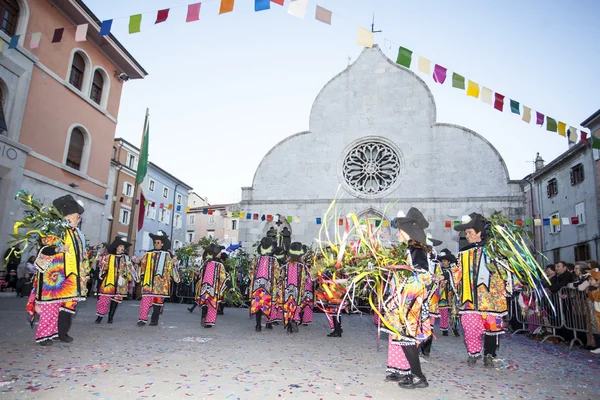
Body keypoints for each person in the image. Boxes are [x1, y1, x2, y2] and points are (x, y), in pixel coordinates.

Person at [26, 194, 89, 346]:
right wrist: (58, 248)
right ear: (67, 216)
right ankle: (43, 336)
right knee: (49, 308)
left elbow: (81, 256)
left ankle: (56, 333)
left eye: (78, 217)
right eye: (76, 217)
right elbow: (44, 250)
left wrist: (84, 273)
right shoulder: (55, 230)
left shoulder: (75, 234)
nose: (78, 220)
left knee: (62, 308)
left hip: (70, 278)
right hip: (53, 278)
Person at [383, 207, 435, 389]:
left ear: (407, 232)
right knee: (405, 339)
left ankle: (419, 377)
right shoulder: (411, 250)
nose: (397, 234)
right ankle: (412, 374)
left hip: (411, 303)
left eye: (399, 231)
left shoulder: (416, 250)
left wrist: (401, 276)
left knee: (408, 339)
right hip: (406, 302)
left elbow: (423, 275)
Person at [453, 213, 512, 367]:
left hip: (491, 299)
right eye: (466, 233)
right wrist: (446, 277)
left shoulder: (494, 252)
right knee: (470, 327)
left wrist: (509, 283)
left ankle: (489, 354)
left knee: (492, 328)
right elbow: (457, 273)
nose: (467, 236)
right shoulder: (463, 252)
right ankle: (474, 353)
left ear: (479, 233)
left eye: (470, 232)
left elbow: (505, 271)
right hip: (469, 298)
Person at [137, 230, 180, 326]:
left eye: (158, 242)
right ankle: (142, 319)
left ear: (162, 244)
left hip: (161, 284)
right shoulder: (148, 254)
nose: (156, 244)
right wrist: (137, 262)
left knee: (158, 302)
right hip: (148, 282)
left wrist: (174, 264)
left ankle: (154, 320)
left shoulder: (167, 255)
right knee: (145, 301)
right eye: (155, 242)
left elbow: (171, 267)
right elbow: (142, 265)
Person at [95, 236, 135, 324]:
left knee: (115, 300)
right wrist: (101, 264)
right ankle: (99, 317)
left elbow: (131, 272)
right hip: (109, 281)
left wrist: (129, 266)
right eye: (120, 246)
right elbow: (103, 270)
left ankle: (111, 317)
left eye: (123, 247)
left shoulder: (126, 258)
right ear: (116, 247)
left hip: (120, 283)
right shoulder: (109, 257)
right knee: (103, 299)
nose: (122, 248)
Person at [248, 237, 280, 332]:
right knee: (268, 304)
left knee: (258, 304)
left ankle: (258, 325)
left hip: (257, 286)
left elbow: (251, 272)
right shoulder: (274, 260)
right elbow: (277, 274)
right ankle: (268, 323)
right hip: (269, 286)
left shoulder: (256, 260)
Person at [196, 245, 227, 328]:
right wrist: (228, 285)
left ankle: (203, 317)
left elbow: (200, 274)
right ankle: (209, 321)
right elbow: (223, 277)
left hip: (204, 287)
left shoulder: (205, 263)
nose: (220, 254)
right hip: (214, 288)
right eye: (219, 252)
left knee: (204, 303)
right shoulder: (219, 265)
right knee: (212, 305)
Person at [281, 242, 307, 334]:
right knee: (296, 306)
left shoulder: (285, 266)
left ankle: (288, 324)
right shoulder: (302, 267)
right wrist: (303, 291)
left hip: (287, 290)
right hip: (297, 290)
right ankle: (294, 321)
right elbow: (304, 280)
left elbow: (282, 278)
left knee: (287, 307)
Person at [436, 249, 459, 337]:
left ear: (449, 261)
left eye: (445, 261)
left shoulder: (453, 271)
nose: (443, 262)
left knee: (454, 312)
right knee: (443, 312)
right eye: (442, 261)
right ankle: (444, 329)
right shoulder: (439, 270)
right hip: (442, 294)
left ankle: (454, 327)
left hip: (452, 293)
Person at [299, 245, 314, 326]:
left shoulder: (308, 263)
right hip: (304, 284)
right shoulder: (301, 263)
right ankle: (302, 318)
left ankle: (304, 319)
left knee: (305, 302)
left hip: (306, 283)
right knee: (303, 302)